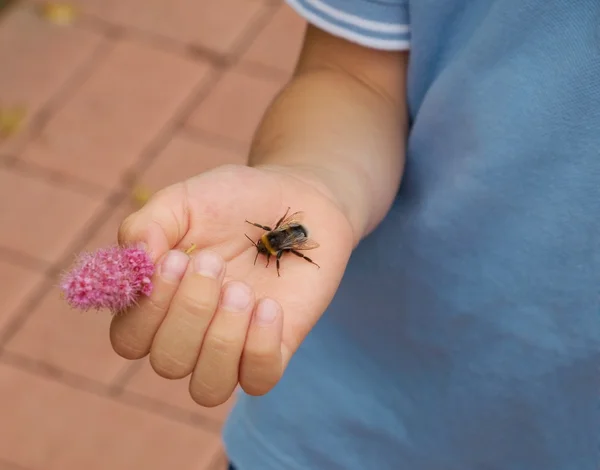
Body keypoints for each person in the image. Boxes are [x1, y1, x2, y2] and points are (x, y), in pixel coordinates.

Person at [109, 0, 600, 468]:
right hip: (349, 419)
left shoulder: (276, 242)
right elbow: (353, 75)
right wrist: (311, 179)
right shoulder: (281, 241)